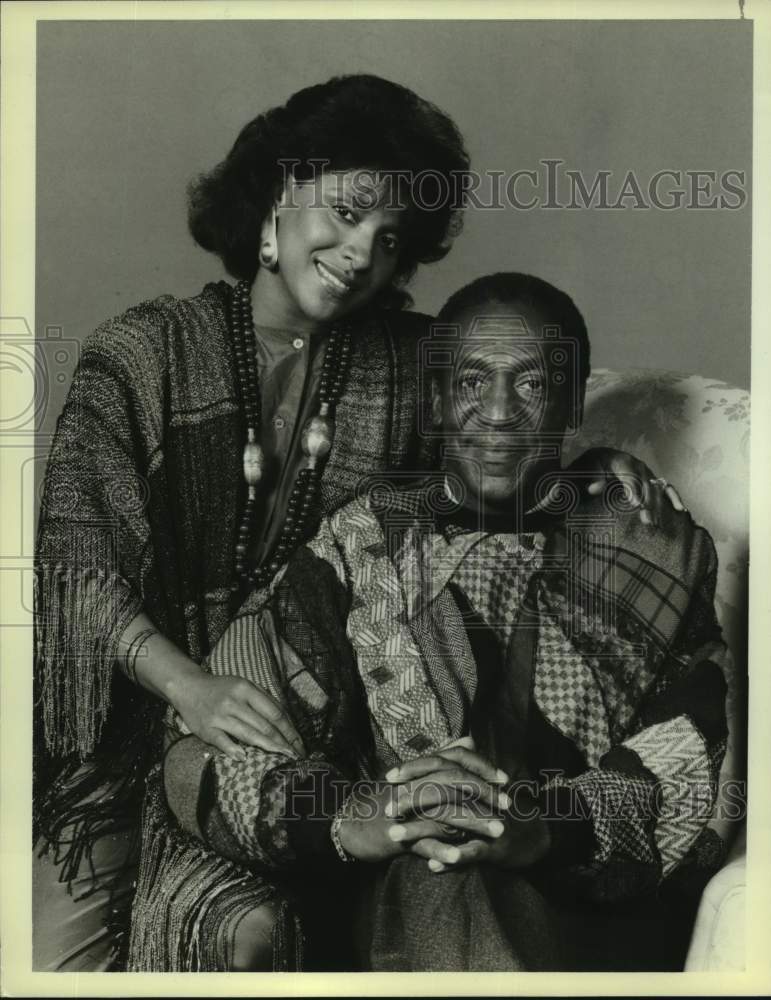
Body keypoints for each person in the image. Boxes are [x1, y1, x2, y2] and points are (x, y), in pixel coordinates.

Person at [33, 73, 675, 971]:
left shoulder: (407, 361)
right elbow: (73, 571)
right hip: (123, 732)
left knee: (254, 931)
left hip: (310, 739)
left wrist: (597, 469)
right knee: (45, 963)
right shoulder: (141, 354)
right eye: (346, 211)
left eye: (390, 237)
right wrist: (191, 689)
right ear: (275, 196)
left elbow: (509, 411)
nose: (359, 251)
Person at [158, 272, 730, 972]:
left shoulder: (651, 545)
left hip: (583, 906)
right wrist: (354, 816)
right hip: (388, 903)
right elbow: (200, 752)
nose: (498, 412)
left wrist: (543, 830)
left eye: (531, 384)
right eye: (470, 382)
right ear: (434, 400)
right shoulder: (360, 542)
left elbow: (688, 763)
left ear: (570, 402)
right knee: (441, 876)